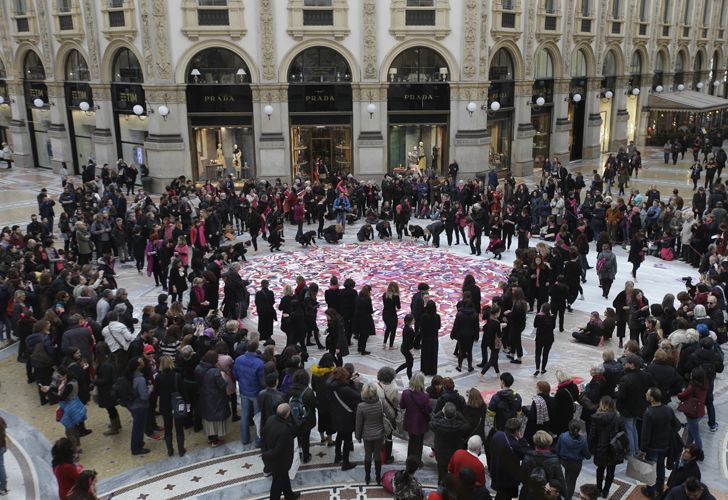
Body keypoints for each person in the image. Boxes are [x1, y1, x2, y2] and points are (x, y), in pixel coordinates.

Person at [641, 387, 679, 499]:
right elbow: (676, 425)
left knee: (650, 470)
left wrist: (643, 449)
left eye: (647, 394)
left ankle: (650, 492)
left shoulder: (649, 413)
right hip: (665, 445)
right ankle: (660, 490)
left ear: (652, 398)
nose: (645, 394)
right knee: (660, 468)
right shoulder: (668, 409)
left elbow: (645, 434)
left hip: (652, 447)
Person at [355, 382, 394, 485]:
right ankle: (377, 477)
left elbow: (358, 424)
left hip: (367, 435)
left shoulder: (361, 406)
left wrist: (357, 436)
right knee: (377, 455)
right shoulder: (381, 402)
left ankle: (367, 477)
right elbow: (390, 414)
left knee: (367, 455)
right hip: (379, 434)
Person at [261, 403, 300, 500]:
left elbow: (263, 435)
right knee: (277, 485)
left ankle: (289, 495)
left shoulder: (270, 419)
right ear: (287, 414)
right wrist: (265, 454)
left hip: (272, 459)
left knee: (284, 478)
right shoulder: (284, 430)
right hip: (279, 463)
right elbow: (278, 451)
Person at [194, 350, 231, 447]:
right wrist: (224, 377)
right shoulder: (215, 372)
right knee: (215, 420)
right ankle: (215, 440)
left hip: (204, 396)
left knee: (208, 420)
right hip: (216, 398)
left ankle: (211, 438)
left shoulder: (198, 367)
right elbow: (222, 386)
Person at [429, 402, 470, 483]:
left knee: (441, 474)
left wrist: (441, 412)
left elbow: (432, 420)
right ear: (455, 414)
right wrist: (457, 413)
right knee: (454, 474)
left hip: (441, 453)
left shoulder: (437, 425)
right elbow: (467, 424)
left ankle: (441, 489)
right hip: (454, 454)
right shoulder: (459, 426)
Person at [329, 366, 361, 470]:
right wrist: (357, 384)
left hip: (335, 416)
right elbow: (359, 397)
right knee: (347, 440)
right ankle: (346, 463)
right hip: (346, 417)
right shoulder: (345, 389)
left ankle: (337, 456)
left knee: (339, 436)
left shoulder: (330, 385)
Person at [234, 340, 264, 447]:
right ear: (256, 349)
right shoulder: (259, 363)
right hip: (255, 392)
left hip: (243, 390)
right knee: (257, 417)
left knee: (245, 415)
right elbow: (262, 381)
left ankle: (245, 438)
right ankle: (258, 441)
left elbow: (235, 375)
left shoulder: (238, 359)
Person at [155, 355, 186, 457]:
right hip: (176, 403)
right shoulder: (177, 375)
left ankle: (170, 450)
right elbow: (182, 390)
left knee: (167, 427)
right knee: (179, 426)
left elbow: (157, 392)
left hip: (165, 404)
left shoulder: (158, 377)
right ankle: (181, 449)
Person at [519, 430, 565, 500]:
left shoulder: (527, 457)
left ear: (535, 442)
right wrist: (565, 494)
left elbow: (523, 476)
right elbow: (560, 479)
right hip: (547, 494)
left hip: (529, 493)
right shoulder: (554, 460)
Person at [489, 418, 527, 500]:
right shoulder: (515, 445)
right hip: (508, 479)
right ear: (517, 431)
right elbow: (525, 453)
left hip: (497, 472)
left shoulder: (497, 435)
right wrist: (521, 439)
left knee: (501, 494)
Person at [286, 368, 317, 464]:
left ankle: (294, 455)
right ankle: (306, 456)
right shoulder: (308, 392)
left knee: (295, 436)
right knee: (305, 438)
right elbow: (314, 405)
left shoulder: (289, 389)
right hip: (305, 420)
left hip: (293, 418)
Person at [555, 419, 591, 500]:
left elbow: (557, 449)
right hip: (576, 464)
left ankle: (561, 495)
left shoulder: (562, 436)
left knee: (564, 479)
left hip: (564, 462)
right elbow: (587, 455)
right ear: (579, 430)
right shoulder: (583, 440)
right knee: (571, 482)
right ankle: (568, 498)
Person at [400, 372, 432, 461]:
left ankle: (409, 460)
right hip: (421, 423)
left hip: (409, 421)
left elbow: (402, 406)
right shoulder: (425, 396)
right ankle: (417, 461)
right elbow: (428, 410)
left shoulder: (405, 393)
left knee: (411, 441)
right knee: (419, 443)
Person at [677, 367, 708, 450]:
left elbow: (681, 395)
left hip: (692, 413)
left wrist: (681, 392)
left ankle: (699, 452)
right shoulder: (704, 385)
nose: (690, 374)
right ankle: (687, 446)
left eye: (692, 374)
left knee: (695, 434)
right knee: (691, 431)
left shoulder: (692, 387)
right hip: (700, 411)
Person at [450, 297, 479, 372]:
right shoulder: (475, 314)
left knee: (461, 351)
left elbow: (456, 326)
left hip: (461, 335)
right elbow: (476, 327)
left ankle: (459, 366)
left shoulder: (459, 314)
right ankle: (470, 367)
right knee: (469, 351)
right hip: (471, 335)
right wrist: (477, 336)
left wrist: (452, 334)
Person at [420, 300, 440, 375]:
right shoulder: (437, 316)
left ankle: (425, 370)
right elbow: (438, 327)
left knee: (425, 355)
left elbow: (421, 328)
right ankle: (433, 370)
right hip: (434, 338)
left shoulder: (424, 316)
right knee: (434, 355)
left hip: (426, 338)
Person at [480, 304, 502, 377]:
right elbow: (499, 335)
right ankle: (482, 374)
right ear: (496, 313)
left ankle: (498, 373)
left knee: (495, 358)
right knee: (492, 360)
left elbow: (486, 329)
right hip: (496, 343)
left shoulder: (489, 320)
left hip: (490, 342)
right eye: (499, 313)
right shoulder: (497, 323)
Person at [533, 302, 555, 376]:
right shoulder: (552, 317)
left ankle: (537, 369)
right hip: (549, 338)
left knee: (538, 354)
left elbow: (535, 325)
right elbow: (553, 327)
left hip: (540, 338)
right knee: (546, 354)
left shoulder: (538, 316)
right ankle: (543, 369)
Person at [354, 285, 375, 355]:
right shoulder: (367, 299)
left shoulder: (358, 297)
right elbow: (370, 310)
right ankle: (363, 350)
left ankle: (359, 348)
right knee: (365, 335)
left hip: (357, 318)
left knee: (361, 335)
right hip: (365, 319)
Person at [255, 280, 276, 345]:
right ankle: (268, 337)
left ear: (261, 285)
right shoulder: (271, 293)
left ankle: (262, 336)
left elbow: (256, 302)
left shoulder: (258, 293)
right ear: (267, 285)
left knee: (262, 323)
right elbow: (272, 302)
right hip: (269, 311)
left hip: (262, 311)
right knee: (269, 324)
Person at [395, 314, 415, 379]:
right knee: (409, 364)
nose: (414, 320)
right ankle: (410, 379)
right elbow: (409, 342)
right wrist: (411, 351)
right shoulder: (409, 330)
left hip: (404, 348)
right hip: (406, 349)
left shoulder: (407, 327)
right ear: (410, 321)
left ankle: (395, 372)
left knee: (408, 364)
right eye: (413, 319)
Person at [382, 281, 401, 349]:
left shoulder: (384, 295)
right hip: (392, 314)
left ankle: (384, 343)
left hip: (385, 314)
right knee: (393, 330)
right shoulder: (396, 296)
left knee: (388, 328)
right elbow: (398, 307)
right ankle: (391, 345)